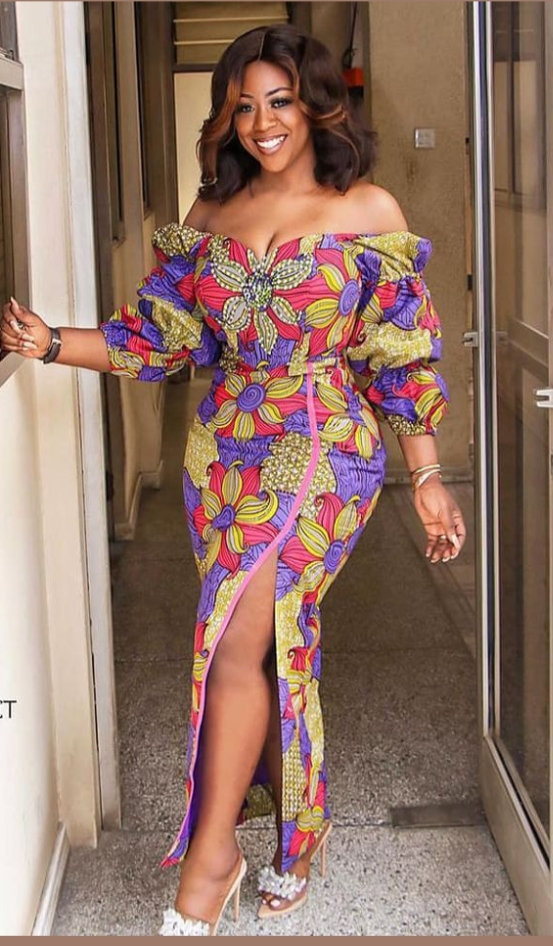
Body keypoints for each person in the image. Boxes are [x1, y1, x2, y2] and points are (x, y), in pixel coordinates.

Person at [1, 23, 466, 936]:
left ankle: (210, 858)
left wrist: (426, 476)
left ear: (317, 106)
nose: (262, 122)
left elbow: (400, 354)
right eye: (242, 106)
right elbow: (156, 339)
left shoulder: (367, 209)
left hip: (321, 445)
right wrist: (48, 342)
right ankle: (294, 839)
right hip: (219, 453)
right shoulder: (210, 216)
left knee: (233, 641)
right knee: (261, 645)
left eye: (279, 100)